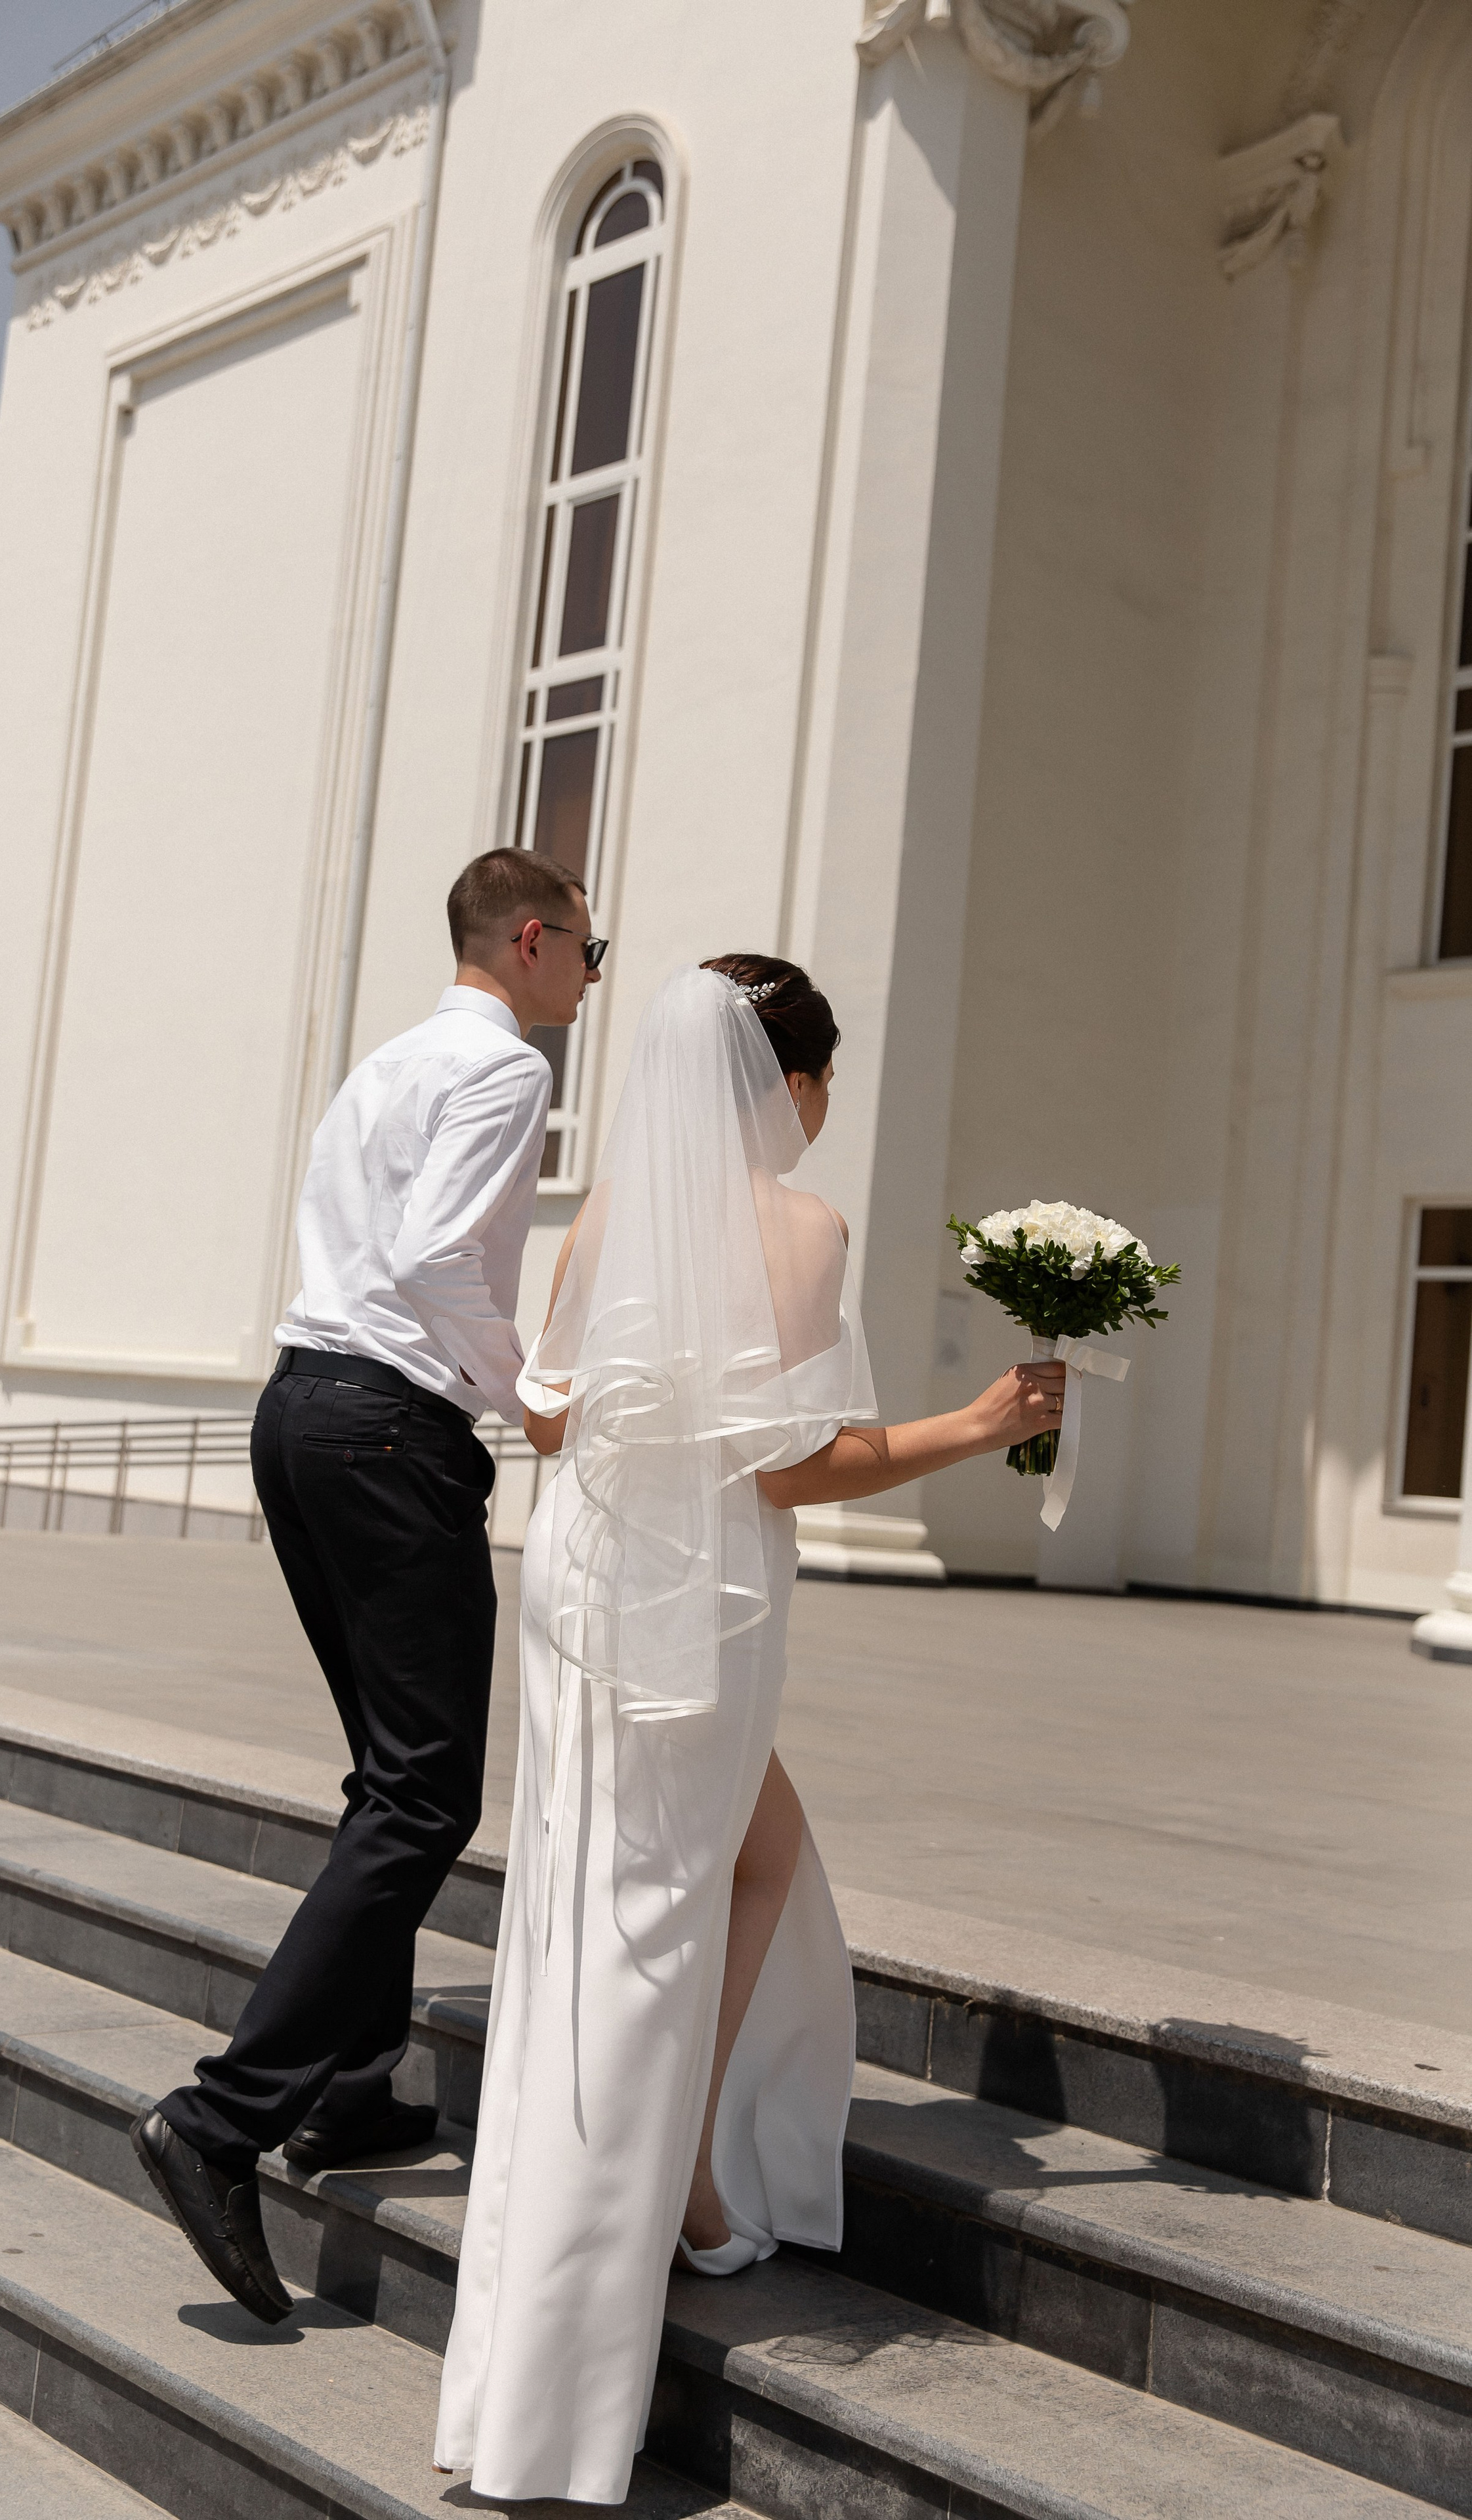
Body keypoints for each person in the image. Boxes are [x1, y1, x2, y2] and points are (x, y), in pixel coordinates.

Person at [432, 955, 1064, 2504]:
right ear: (786, 1084)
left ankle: (696, 2186)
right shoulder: (799, 1225)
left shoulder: (602, 1224)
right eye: (823, 1083)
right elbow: (794, 1465)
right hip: (693, 1613)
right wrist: (982, 1427)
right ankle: (559, 2402)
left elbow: (553, 1417)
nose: (822, 1115)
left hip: (580, 1591)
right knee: (642, 1944)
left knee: (692, 1887)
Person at [131, 849, 607, 2326]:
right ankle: (221, 2120)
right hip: (388, 1426)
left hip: (302, 1413)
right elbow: (427, 1259)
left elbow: (368, 1247)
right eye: (590, 950)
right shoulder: (508, 1068)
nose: (592, 979)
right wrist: (528, 1390)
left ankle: (351, 2088)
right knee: (424, 1794)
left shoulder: (386, 1063)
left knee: (386, 1776)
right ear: (530, 941)